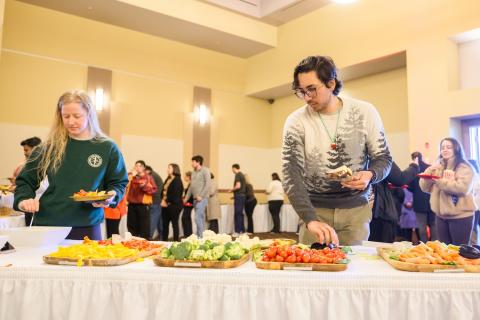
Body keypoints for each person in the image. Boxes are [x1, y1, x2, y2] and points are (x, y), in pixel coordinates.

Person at [282, 55, 392, 246]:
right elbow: (291, 175)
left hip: (356, 210)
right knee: (313, 270)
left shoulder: (365, 112)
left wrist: (369, 175)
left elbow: (383, 158)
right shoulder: (296, 121)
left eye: (312, 89)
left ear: (331, 84)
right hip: (314, 210)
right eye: (301, 91)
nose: (307, 97)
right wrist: (310, 219)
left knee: (353, 269)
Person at [13, 90, 128, 240]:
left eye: (77, 116)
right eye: (65, 116)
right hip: (48, 224)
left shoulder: (107, 147)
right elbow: (25, 180)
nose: (70, 122)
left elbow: (118, 183)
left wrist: (112, 196)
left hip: (87, 225)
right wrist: (24, 200)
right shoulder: (49, 147)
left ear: (89, 114)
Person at [419, 137, 477, 245]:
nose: (445, 150)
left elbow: (462, 188)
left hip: (461, 216)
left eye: (449, 147)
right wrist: (430, 170)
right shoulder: (438, 167)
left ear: (456, 149)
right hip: (441, 217)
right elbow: (424, 187)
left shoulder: (464, 167)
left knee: (458, 251)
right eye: (442, 147)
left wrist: (440, 181)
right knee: (445, 251)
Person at [369, 161, 419, 243]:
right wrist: (414, 166)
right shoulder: (381, 158)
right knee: (381, 248)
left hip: (358, 211)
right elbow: (400, 179)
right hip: (379, 213)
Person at [408, 151, 437, 242]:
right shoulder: (429, 167)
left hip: (419, 202)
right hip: (431, 200)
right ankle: (435, 245)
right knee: (433, 225)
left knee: (422, 226)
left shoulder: (412, 169)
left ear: (413, 159)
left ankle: (425, 245)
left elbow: (410, 187)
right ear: (422, 157)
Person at [126, 160, 157, 239]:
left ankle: (145, 244)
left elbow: (154, 190)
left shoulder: (148, 177)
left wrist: (144, 186)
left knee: (144, 227)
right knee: (131, 227)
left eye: (139, 166)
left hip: (143, 206)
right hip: (131, 205)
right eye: (136, 166)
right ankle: (132, 243)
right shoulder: (131, 176)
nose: (137, 168)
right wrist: (131, 175)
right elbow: (124, 184)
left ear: (143, 168)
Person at [184, 155, 211, 237]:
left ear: (198, 162)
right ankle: (202, 235)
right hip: (195, 199)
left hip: (202, 199)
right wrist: (186, 198)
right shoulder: (193, 172)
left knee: (197, 217)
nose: (192, 163)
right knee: (200, 218)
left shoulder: (205, 170)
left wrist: (201, 196)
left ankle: (200, 237)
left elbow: (208, 184)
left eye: (193, 162)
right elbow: (191, 187)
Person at [161, 163, 184, 241]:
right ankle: (164, 241)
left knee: (174, 224)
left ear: (174, 169)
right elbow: (163, 191)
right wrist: (162, 200)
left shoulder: (177, 180)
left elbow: (176, 194)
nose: (167, 170)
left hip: (174, 206)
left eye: (169, 168)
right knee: (165, 225)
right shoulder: (168, 178)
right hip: (165, 205)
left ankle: (176, 241)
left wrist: (166, 201)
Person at [145, 165, 164, 240]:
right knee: (158, 221)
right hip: (156, 201)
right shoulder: (154, 175)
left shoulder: (152, 176)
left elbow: (154, 190)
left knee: (152, 220)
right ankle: (161, 238)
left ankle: (149, 237)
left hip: (154, 202)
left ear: (148, 171)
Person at [230, 163, 247, 236]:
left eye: (232, 169)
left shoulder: (237, 175)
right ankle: (242, 231)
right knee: (240, 213)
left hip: (239, 196)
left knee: (237, 214)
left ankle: (237, 231)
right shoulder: (242, 175)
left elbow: (238, 186)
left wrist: (232, 190)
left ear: (234, 168)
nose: (232, 170)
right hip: (242, 196)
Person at [467, 159, 480, 245]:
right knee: (473, 227)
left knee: (473, 228)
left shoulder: (475, 178)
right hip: (475, 207)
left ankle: (474, 247)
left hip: (474, 207)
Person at [182, 171, 194, 237]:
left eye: (185, 176)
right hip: (187, 203)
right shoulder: (189, 184)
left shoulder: (191, 184)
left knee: (185, 218)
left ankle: (188, 234)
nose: (184, 177)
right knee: (186, 219)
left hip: (189, 204)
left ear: (189, 177)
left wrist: (185, 200)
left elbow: (190, 195)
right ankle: (188, 234)